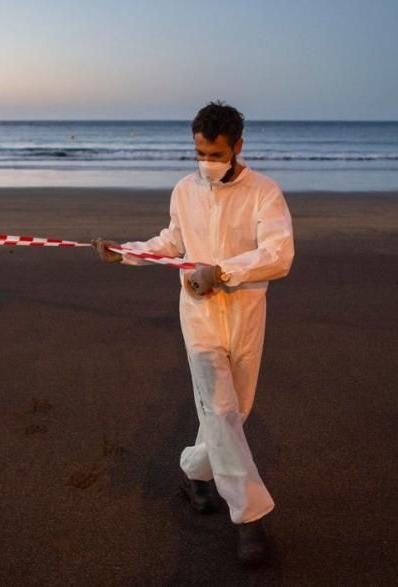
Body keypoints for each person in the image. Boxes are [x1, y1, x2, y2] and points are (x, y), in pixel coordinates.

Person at [93, 102, 294, 566]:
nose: (206, 162)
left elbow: (279, 255)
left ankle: (193, 473)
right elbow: (172, 242)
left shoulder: (265, 193)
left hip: (246, 313)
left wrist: (222, 271)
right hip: (199, 316)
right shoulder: (185, 189)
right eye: (199, 152)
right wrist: (124, 252)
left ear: (238, 146)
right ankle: (250, 519)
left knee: (235, 410)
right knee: (221, 410)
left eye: (216, 153)